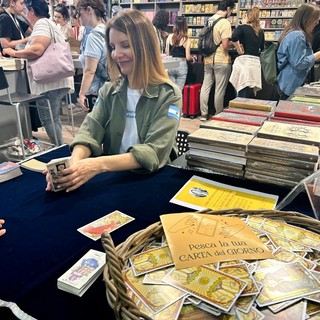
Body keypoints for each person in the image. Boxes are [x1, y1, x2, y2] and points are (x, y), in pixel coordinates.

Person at [45, 9, 182, 193]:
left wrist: (97, 165)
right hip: (114, 182)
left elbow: (154, 151)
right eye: (112, 47)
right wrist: (75, 164)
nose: (116, 54)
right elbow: (89, 131)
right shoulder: (109, 90)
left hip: (152, 183)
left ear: (145, 46)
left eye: (125, 45)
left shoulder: (169, 95)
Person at [3, 0, 74, 146]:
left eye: (26, 8)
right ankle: (61, 149)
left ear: (32, 11)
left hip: (49, 81)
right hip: (57, 78)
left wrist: (14, 53)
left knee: (48, 119)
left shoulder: (42, 24)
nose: (24, 9)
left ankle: (60, 150)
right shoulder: (49, 24)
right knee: (53, 118)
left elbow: (37, 50)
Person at [199, 0, 235, 121]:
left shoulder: (209, 20)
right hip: (221, 59)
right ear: (228, 9)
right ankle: (219, 114)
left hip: (208, 58)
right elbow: (225, 45)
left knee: (206, 86)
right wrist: (233, 45)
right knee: (219, 89)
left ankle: (203, 114)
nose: (231, 13)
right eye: (231, 10)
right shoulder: (224, 22)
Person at [277, 3, 320, 100]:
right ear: (306, 19)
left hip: (289, 83)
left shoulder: (295, 33)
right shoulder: (297, 36)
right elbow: (299, 63)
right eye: (315, 19)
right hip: (290, 85)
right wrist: (317, 55)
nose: (316, 23)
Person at [76, 0, 107, 112]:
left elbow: (90, 70)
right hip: (107, 87)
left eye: (80, 13)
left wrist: (82, 93)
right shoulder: (107, 31)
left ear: (89, 10)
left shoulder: (94, 36)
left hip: (96, 90)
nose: (78, 18)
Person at [230, 7, 264, 98]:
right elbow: (262, 47)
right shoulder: (260, 31)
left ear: (246, 16)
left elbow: (234, 37)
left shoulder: (242, 28)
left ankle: (237, 111)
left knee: (240, 90)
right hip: (255, 64)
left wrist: (238, 49)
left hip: (243, 62)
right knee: (250, 93)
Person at [165, 15, 192, 91]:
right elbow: (188, 57)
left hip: (170, 63)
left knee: (171, 90)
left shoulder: (170, 37)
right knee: (179, 92)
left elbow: (167, 53)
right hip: (181, 63)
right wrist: (191, 59)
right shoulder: (186, 39)